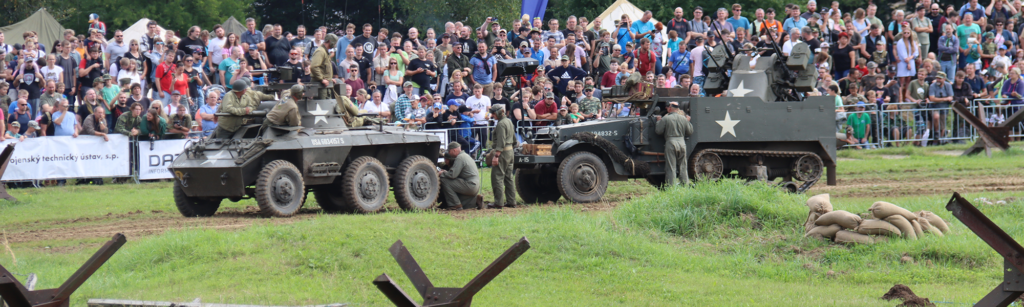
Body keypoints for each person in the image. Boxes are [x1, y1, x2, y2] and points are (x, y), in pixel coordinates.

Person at [655, 101, 693, 186]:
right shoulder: (683, 118)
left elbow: (659, 131)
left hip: (671, 143)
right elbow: (690, 132)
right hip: (682, 143)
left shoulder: (666, 118)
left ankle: (671, 186)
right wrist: (688, 122)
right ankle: (685, 185)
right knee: (683, 165)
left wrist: (658, 121)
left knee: (671, 166)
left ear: (669, 108)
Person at [438, 142, 482, 210]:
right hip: (474, 185)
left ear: (454, 150)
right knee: (456, 190)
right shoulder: (465, 156)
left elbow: (452, 175)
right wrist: (446, 172)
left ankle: (455, 205)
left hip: (470, 185)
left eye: (449, 151)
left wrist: (441, 173)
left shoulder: (460, 158)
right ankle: (475, 201)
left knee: (444, 180)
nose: (449, 153)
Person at [487, 104, 515, 208]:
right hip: (510, 152)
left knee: (497, 177)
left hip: (502, 153)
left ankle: (498, 202)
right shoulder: (508, 121)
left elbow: (501, 141)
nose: (492, 115)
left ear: (499, 112)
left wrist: (496, 155)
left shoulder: (501, 124)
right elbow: (514, 139)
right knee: (509, 178)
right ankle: (512, 201)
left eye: (493, 113)